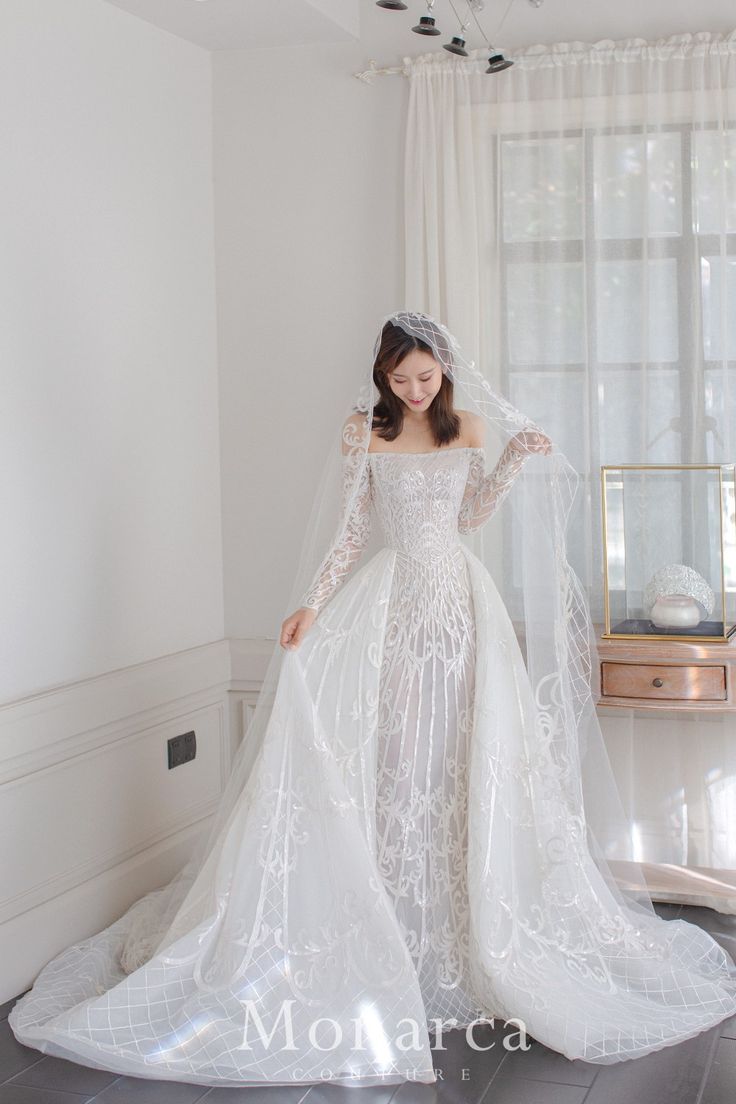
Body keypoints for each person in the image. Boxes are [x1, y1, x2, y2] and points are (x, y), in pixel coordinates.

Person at [9, 311, 736, 1089]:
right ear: (382, 377)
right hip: (391, 609)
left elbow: (468, 518)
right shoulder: (365, 433)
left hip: (461, 606)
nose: (415, 391)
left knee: (462, 755)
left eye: (425, 378)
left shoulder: (471, 427)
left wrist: (514, 462)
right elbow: (351, 533)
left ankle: (466, 922)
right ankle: (385, 917)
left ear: (445, 371)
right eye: (401, 380)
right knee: (395, 754)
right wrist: (312, 606)